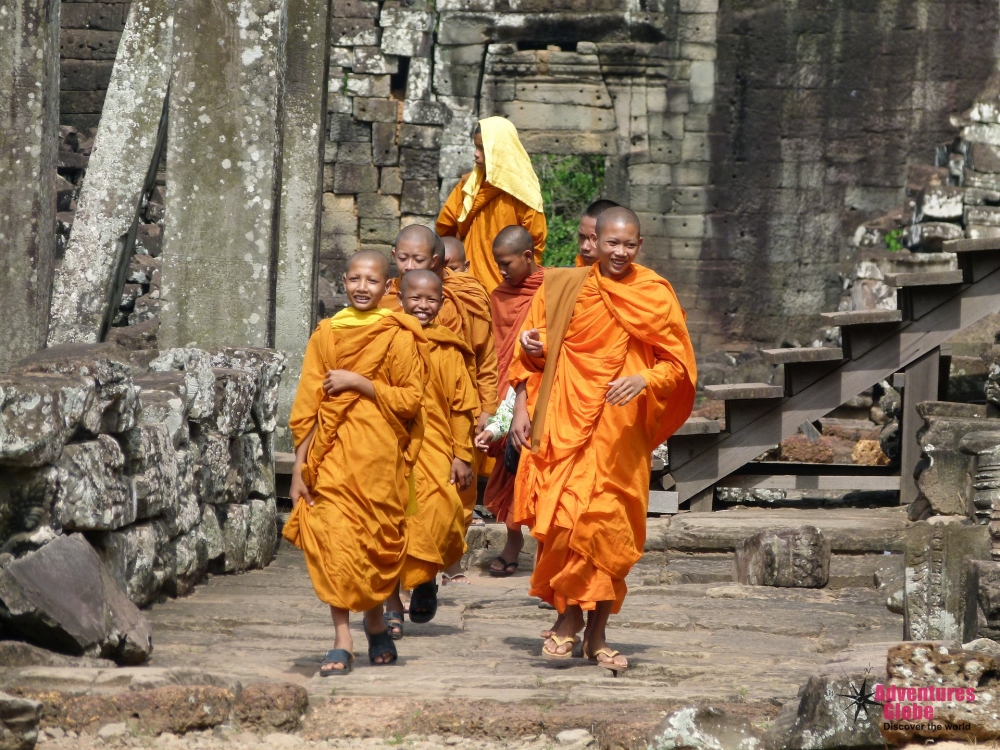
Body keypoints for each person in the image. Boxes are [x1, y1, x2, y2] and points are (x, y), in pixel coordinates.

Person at [508, 207, 697, 674]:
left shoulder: (652, 293)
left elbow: (677, 365)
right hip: (565, 425)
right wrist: (533, 358)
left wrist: (644, 379)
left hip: (620, 433)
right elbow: (532, 355)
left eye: (628, 244)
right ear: (595, 241)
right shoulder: (565, 287)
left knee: (609, 529)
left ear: (639, 245)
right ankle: (573, 623)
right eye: (610, 243)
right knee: (569, 524)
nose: (619, 252)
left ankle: (591, 634)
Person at [282, 250, 427, 676]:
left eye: (372, 281)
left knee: (374, 545)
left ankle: (377, 618)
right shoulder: (326, 335)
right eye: (355, 279)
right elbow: (308, 405)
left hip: (379, 461)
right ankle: (342, 637)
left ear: (388, 287)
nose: (363, 288)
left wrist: (361, 383)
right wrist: (298, 469)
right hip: (331, 459)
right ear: (343, 282)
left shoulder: (399, 334)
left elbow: (411, 399)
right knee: (335, 545)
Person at [388, 225, 499, 584]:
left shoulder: (463, 299)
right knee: (399, 506)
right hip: (396, 427)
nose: (408, 266)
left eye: (417, 259)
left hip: (450, 416)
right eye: (402, 258)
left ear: (436, 260)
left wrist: (486, 408)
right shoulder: (384, 303)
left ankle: (444, 559)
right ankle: (409, 585)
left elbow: (483, 359)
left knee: (449, 499)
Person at [382, 270, 478, 638]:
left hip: (437, 447)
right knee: (390, 522)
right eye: (415, 299)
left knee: (442, 511)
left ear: (442, 302)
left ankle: (425, 578)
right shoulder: (385, 338)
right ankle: (392, 604)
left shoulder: (449, 347)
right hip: (391, 444)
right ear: (401, 299)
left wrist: (462, 455)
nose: (422, 306)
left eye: (431, 300)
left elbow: (460, 407)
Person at [475, 226, 544, 578]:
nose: (501, 271)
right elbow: (493, 350)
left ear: (528, 257)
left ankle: (547, 550)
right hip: (504, 392)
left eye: (506, 263)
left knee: (540, 471)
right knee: (509, 468)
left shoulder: (551, 289)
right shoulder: (499, 295)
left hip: (540, 388)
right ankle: (513, 542)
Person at [437, 117, 547, 294]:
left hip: (509, 290)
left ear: (500, 152)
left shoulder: (525, 195)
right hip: (466, 288)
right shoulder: (468, 186)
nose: (476, 154)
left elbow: (534, 250)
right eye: (475, 147)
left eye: (482, 148)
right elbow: (446, 230)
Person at [575, 199, 619, 267]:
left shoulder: (636, 277)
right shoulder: (567, 276)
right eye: (581, 237)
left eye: (594, 239)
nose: (584, 247)